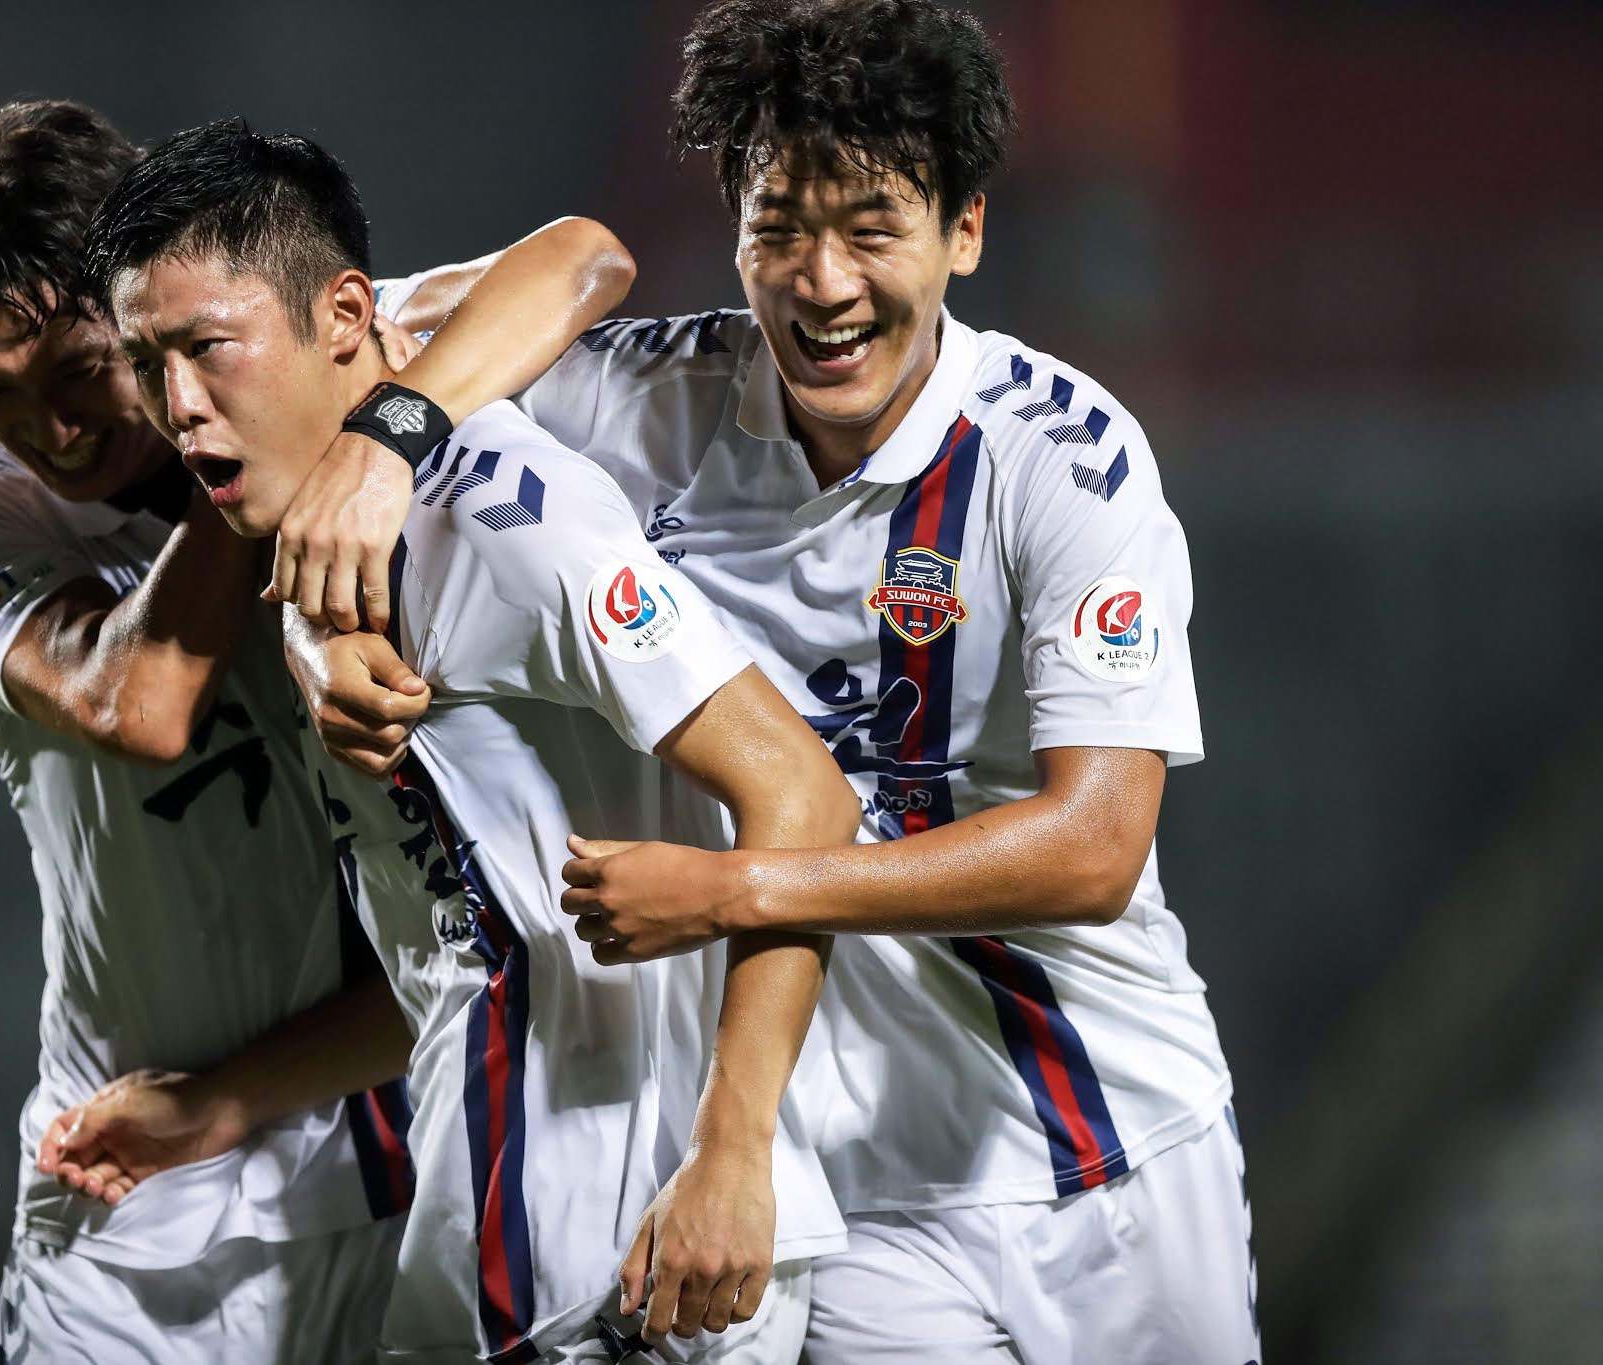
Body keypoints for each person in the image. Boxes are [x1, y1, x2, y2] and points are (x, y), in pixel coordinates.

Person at [276, 3, 1260, 1361]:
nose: (824, 280)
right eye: (780, 226)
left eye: (872, 227)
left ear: (963, 230)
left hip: (1108, 1149)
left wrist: (740, 885)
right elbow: (402, 322)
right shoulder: (656, 400)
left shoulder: (1064, 455)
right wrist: (369, 489)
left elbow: (1097, 845)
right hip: (847, 1195)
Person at [84, 116, 862, 1363]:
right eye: (147, 360)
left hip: (635, 1256)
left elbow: (807, 802)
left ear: (349, 320)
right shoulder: (307, 533)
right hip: (503, 1235)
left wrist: (732, 1155)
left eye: (206, 352)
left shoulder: (512, 524)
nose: (178, 406)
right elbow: (470, 946)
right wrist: (223, 1102)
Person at [0, 98, 638, 1363]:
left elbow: (584, 259)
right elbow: (137, 702)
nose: (50, 433)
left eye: (76, 373)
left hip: (392, 1152)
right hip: (126, 1190)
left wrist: (380, 441)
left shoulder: (293, 362)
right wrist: (278, 466)